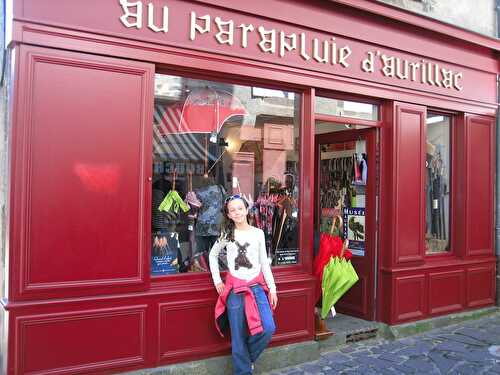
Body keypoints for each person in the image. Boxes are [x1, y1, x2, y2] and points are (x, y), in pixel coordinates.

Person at [209, 194, 278, 375]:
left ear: (247, 210)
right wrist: (217, 280)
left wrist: (272, 288)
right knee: (238, 336)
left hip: (256, 286)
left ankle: (246, 360)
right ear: (229, 215)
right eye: (232, 210)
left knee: (268, 328)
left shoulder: (258, 233)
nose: (237, 212)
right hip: (235, 290)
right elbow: (212, 255)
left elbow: (264, 262)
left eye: (240, 208)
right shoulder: (227, 234)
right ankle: (243, 371)